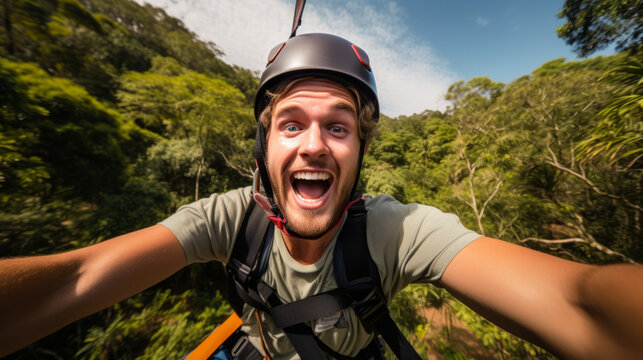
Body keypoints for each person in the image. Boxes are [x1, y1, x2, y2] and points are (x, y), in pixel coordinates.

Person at [1, 32, 642, 360]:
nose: (313, 145)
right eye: (291, 124)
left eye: (338, 126)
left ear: (360, 150)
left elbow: (575, 301)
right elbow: (75, 278)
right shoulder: (227, 219)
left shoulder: (396, 230)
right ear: (264, 149)